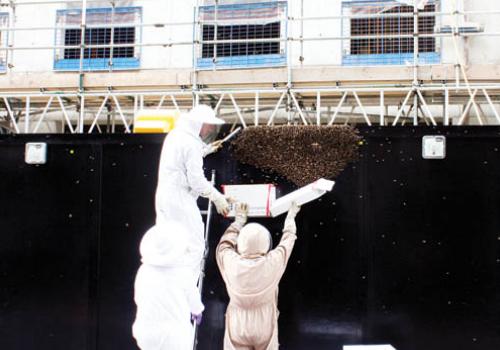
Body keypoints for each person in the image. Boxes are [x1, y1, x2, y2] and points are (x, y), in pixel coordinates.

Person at [155, 104, 231, 284]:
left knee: (170, 245)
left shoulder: (176, 135)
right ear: (199, 124)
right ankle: (185, 292)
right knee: (194, 247)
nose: (211, 129)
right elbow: (196, 181)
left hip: (165, 198)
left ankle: (169, 290)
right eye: (210, 125)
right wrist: (218, 198)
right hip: (180, 199)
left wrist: (205, 150)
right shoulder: (190, 143)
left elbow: (181, 160)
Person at [216, 202, 301, 350]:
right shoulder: (272, 262)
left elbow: (223, 245)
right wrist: (290, 217)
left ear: (241, 243)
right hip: (264, 323)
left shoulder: (231, 262)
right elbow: (288, 240)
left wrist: (239, 221)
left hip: (238, 323)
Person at [132, 221, 204, 350]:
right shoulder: (183, 272)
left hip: (146, 333)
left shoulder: (144, 270)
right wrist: (197, 311)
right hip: (174, 336)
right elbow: (193, 299)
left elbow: (139, 298)